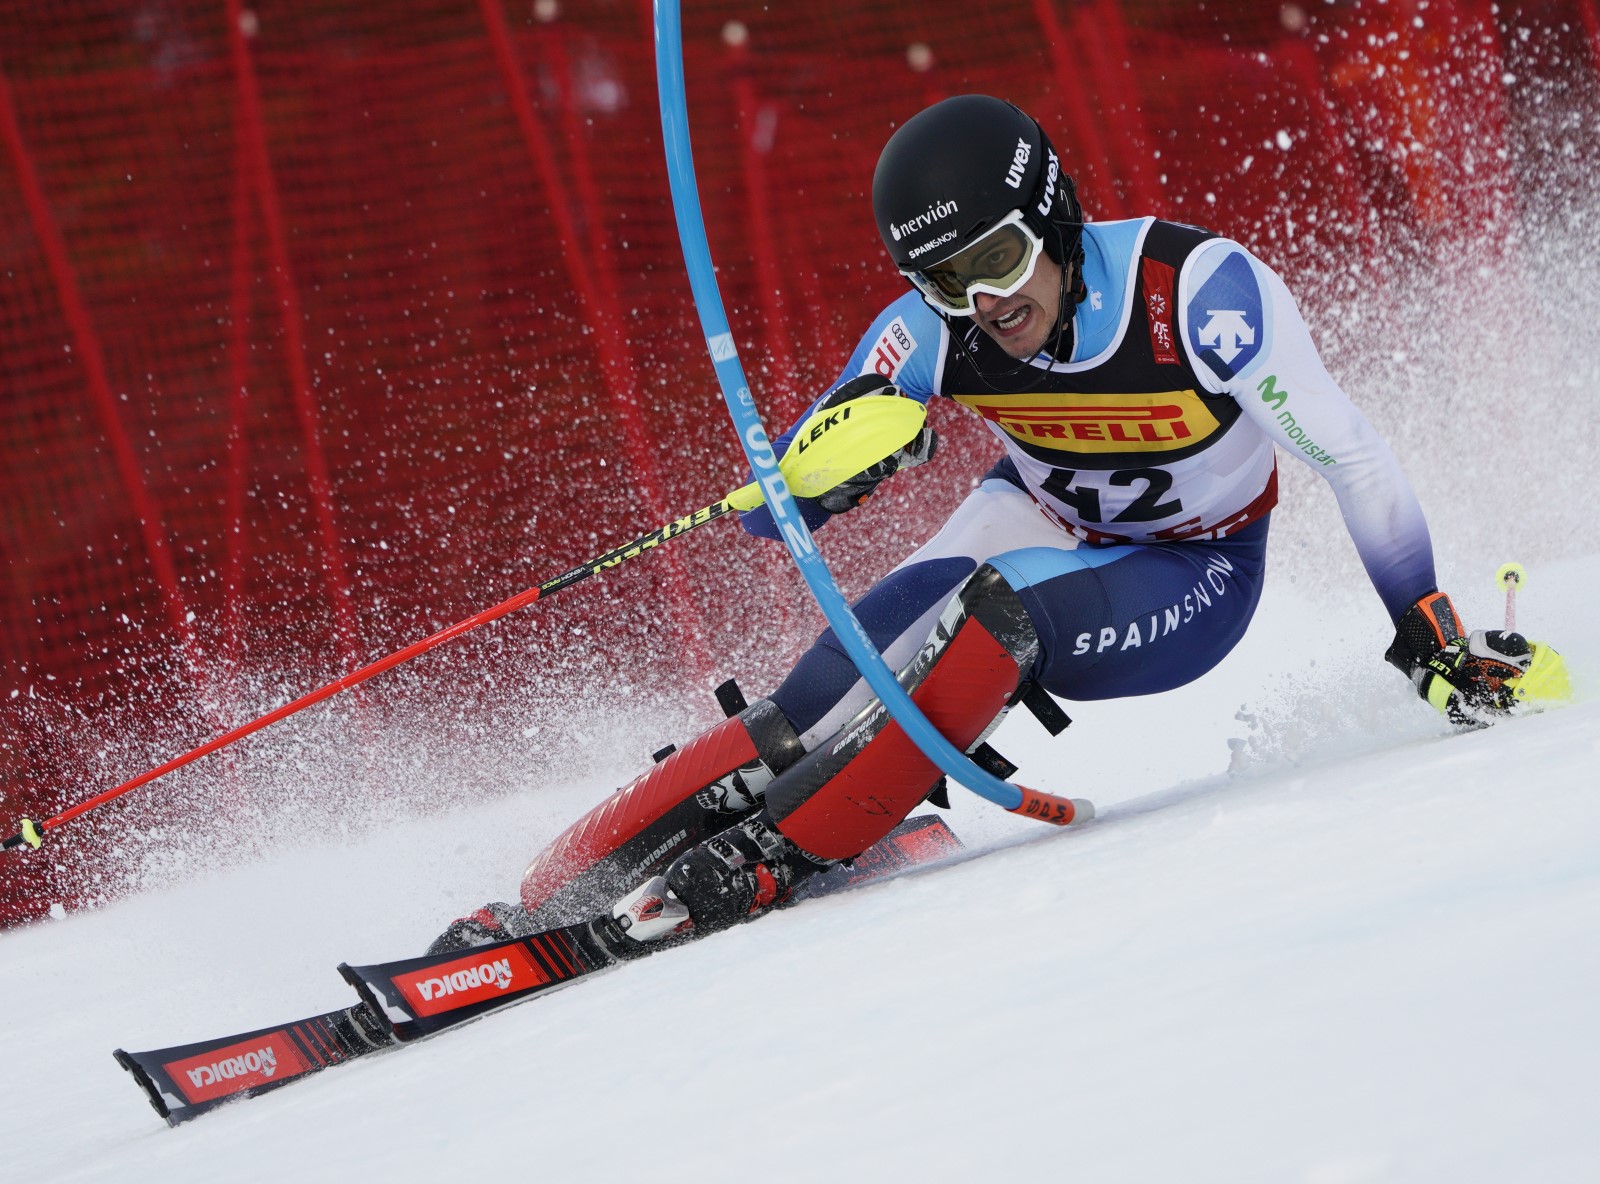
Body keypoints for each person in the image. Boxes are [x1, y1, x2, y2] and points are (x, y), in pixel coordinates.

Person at [430, 94, 1568, 956]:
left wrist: (1427, 626)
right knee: (824, 690)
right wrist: (827, 472)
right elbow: (823, 454)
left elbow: (1353, 458)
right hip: (1035, 511)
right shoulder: (942, 325)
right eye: (944, 283)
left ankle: (788, 852)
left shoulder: (1201, 297)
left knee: (990, 619)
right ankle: (548, 893)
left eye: (997, 262)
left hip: (1193, 570)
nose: (985, 306)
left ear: (1054, 218)